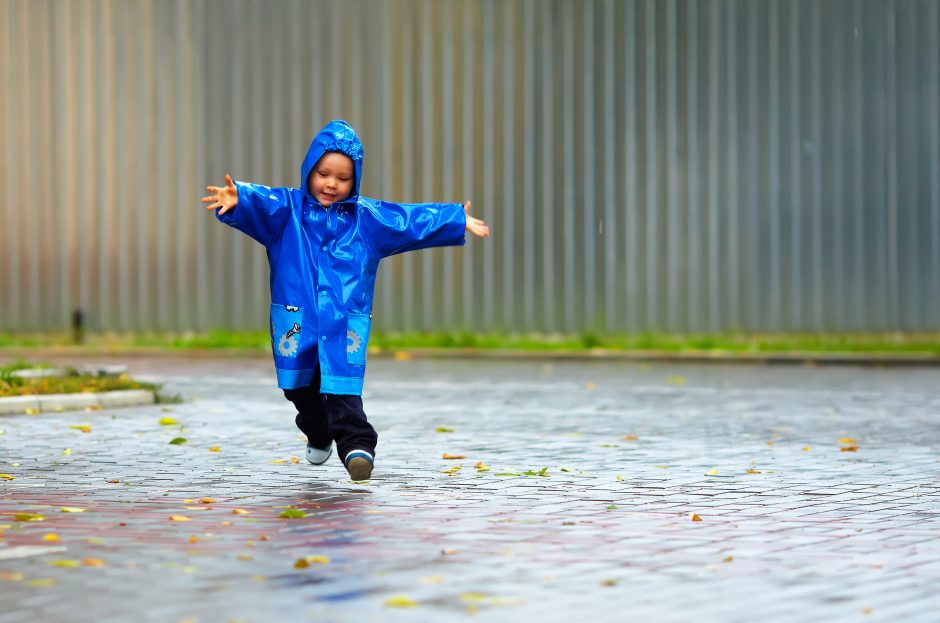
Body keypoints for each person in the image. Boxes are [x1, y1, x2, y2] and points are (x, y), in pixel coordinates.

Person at [201, 120, 489, 480]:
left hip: (343, 324)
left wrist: (453, 219)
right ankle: (318, 433)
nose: (331, 184)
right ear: (309, 170)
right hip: (297, 320)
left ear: (355, 182)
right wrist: (239, 199)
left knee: (341, 388)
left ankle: (358, 447)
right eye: (323, 173)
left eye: (342, 178)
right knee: (298, 388)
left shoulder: (366, 220)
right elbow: (262, 201)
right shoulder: (286, 213)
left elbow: (408, 220)